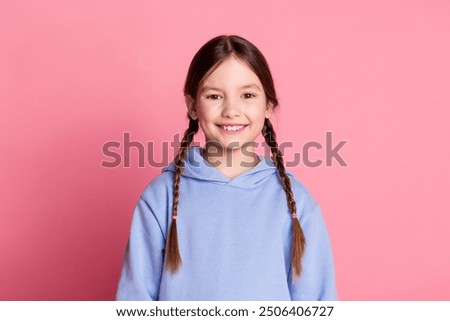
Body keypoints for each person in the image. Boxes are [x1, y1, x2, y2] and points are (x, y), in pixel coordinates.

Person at [116, 35, 337, 300]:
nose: (232, 110)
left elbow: (317, 302)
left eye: (247, 95)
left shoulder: (297, 203)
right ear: (192, 106)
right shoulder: (159, 198)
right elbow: (135, 299)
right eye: (214, 96)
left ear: (268, 104)